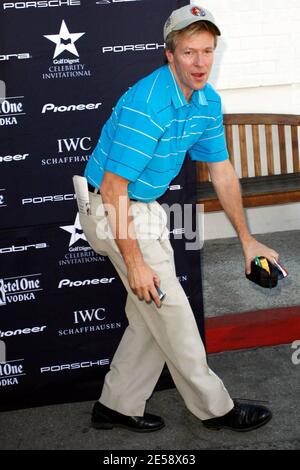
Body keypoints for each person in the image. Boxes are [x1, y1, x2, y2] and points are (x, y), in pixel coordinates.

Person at [79, 4, 278, 433]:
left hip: (143, 207)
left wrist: (247, 240)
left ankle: (116, 404)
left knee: (151, 314)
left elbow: (221, 170)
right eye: (189, 52)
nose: (201, 62)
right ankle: (216, 409)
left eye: (208, 51)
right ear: (170, 54)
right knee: (172, 312)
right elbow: (114, 191)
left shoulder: (206, 101)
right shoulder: (146, 104)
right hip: (113, 208)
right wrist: (135, 263)